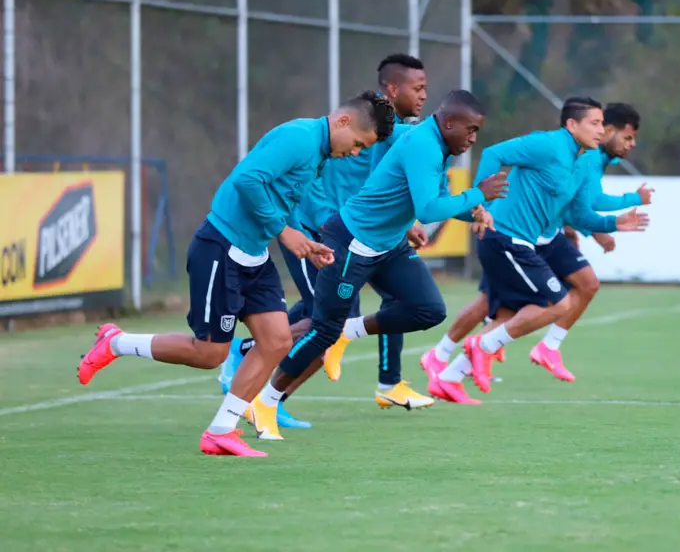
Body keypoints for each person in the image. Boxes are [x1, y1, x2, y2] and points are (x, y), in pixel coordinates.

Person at [77, 91, 397, 457]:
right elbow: (247, 180)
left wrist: (307, 242)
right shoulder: (299, 138)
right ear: (343, 121)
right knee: (209, 354)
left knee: (277, 341)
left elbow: (284, 200)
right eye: (358, 144)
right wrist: (283, 231)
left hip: (254, 256)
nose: (355, 152)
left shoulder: (320, 154)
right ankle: (116, 342)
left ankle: (220, 431)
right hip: (221, 248)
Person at [242, 90, 507, 441]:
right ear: (449, 123)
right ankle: (265, 401)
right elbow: (428, 210)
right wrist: (478, 194)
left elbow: (439, 200)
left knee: (427, 309)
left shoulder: (437, 145)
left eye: (477, 132)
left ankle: (349, 332)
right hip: (351, 242)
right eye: (470, 130)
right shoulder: (424, 144)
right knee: (323, 330)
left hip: (388, 244)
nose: (473, 138)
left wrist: (474, 212)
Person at [218, 54, 434, 426]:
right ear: (392, 89)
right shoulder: (349, 130)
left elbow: (379, 189)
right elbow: (309, 181)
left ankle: (386, 382)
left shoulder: (390, 135)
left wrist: (405, 221)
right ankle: (258, 380)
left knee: (365, 308)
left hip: (356, 234)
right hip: (316, 231)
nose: (424, 96)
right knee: (330, 322)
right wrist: (326, 224)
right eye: (418, 88)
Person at [424, 97, 649, 405]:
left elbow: (580, 213)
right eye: (595, 123)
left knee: (519, 310)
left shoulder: (584, 160)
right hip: (503, 238)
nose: (601, 130)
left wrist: (614, 223)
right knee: (555, 304)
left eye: (602, 124)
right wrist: (480, 205)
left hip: (526, 244)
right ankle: (473, 349)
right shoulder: (547, 144)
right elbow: (493, 153)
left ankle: (449, 377)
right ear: (572, 125)